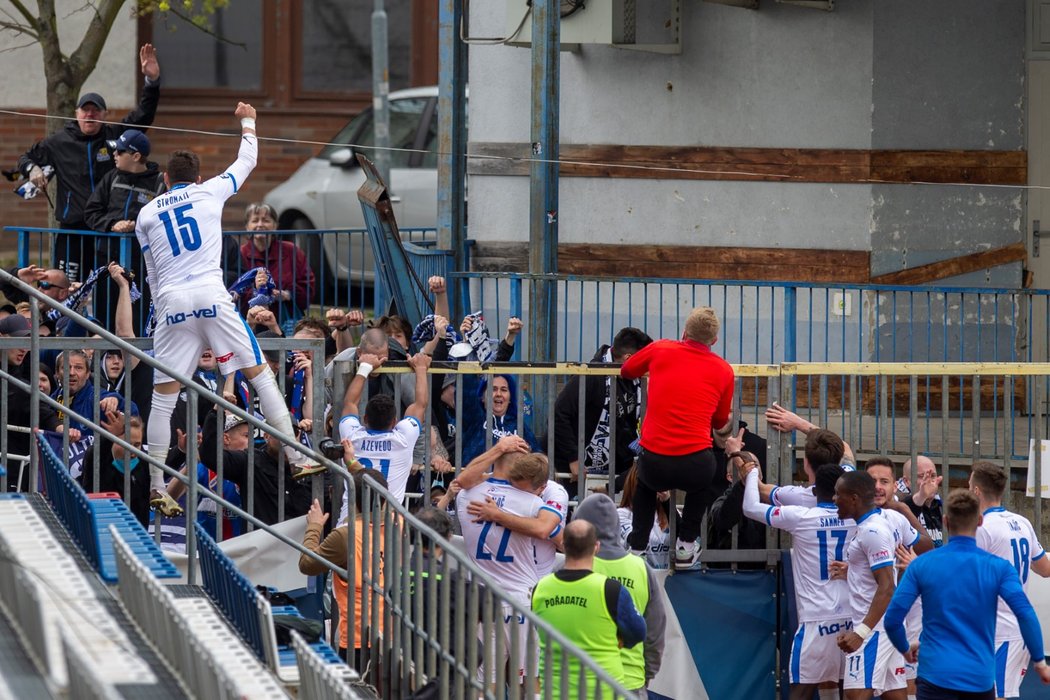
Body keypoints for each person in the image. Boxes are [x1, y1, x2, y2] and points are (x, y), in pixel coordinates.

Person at [134, 101, 323, 518]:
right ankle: (294, 458)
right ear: (197, 178)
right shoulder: (211, 189)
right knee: (260, 375)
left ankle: (155, 484)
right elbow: (248, 158)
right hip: (209, 293)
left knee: (163, 400)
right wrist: (248, 120)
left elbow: (149, 272)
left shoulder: (146, 214)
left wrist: (160, 309)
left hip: (170, 301)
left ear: (165, 180)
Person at [884, 490, 1050, 700]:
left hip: (934, 673)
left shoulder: (921, 565)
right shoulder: (999, 568)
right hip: (977, 677)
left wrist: (905, 649)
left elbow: (892, 619)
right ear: (980, 521)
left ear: (945, 521)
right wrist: (1040, 662)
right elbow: (1025, 614)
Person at [17, 45, 162, 282]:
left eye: (96, 111)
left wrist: (152, 80)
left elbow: (144, 115)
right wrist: (32, 170)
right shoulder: (58, 141)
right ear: (76, 113)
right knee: (66, 285)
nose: (90, 116)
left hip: (105, 228)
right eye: (85, 111)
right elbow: (25, 158)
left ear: (104, 114)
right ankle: (65, 321)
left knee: (107, 288)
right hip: (72, 229)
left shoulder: (114, 135)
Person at [619, 306, 735, 569]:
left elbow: (627, 370)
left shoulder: (661, 348)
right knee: (704, 482)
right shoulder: (724, 370)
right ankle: (685, 545)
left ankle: (637, 546)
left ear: (684, 332)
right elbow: (719, 422)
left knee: (645, 485)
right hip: (694, 463)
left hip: (655, 460)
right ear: (714, 341)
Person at [742, 459, 853, 700]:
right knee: (850, 689)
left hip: (817, 618)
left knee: (802, 690)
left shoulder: (802, 517)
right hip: (853, 616)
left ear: (814, 491)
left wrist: (751, 473)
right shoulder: (858, 517)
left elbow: (750, 507)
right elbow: (851, 463)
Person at [455, 443, 551, 688]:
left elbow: (465, 478)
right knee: (527, 681)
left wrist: (497, 449)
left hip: (481, 599)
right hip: (519, 599)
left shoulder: (466, 495)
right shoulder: (531, 502)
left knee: (486, 680)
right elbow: (544, 530)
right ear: (520, 463)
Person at [531, 519, 647, 698]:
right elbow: (638, 632)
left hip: (555, 692)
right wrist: (619, 640)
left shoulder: (540, 588)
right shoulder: (610, 589)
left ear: (562, 544)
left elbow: (539, 630)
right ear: (596, 547)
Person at [969, 461, 1050, 699]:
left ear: (976, 491)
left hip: (1000, 629)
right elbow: (1045, 569)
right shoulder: (1022, 522)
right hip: (1016, 627)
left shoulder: (982, 528)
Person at [573, 493, 667, 696]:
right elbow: (655, 632)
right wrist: (645, 675)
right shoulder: (641, 568)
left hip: (581, 680)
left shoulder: (572, 567)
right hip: (630, 680)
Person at [298, 469, 389, 667]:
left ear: (352, 499)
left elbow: (307, 565)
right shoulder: (398, 525)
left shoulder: (345, 535)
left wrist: (314, 527)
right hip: (392, 634)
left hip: (358, 636)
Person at [832, 470, 907, 700]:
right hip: (885, 625)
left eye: (838, 494)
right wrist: (852, 572)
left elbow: (887, 587)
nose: (834, 499)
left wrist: (861, 633)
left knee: (854, 695)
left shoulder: (873, 531)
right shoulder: (870, 526)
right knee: (895, 695)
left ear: (854, 498)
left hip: (874, 628)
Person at [553, 326, 652, 498]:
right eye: (644, 361)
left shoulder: (634, 380)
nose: (646, 368)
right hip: (580, 469)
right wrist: (573, 458)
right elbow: (560, 414)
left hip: (616, 469)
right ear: (629, 358)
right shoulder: (592, 375)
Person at [85, 128, 165, 334]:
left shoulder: (158, 184)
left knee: (137, 319)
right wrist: (112, 224)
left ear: (136, 156)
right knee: (103, 316)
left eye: (120, 152)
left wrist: (136, 225)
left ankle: (137, 362)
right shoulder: (111, 177)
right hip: (107, 260)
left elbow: (163, 221)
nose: (114, 155)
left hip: (141, 263)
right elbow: (91, 211)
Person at [337, 350, 431, 519]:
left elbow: (350, 402)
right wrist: (421, 369)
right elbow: (420, 404)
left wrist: (365, 367)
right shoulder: (402, 440)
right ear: (395, 422)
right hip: (386, 530)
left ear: (365, 419)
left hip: (348, 526)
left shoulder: (352, 437)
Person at [197, 403, 312, 526]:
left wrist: (317, 438)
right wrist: (217, 412)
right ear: (266, 436)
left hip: (303, 542)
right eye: (279, 432)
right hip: (263, 543)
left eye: (292, 432)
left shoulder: (311, 466)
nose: (287, 437)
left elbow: (328, 499)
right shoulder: (250, 461)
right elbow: (211, 456)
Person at [0, 314, 78, 490]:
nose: (24, 349)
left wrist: (60, 427)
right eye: (19, 340)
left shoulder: (24, 370)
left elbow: (36, 403)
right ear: (2, 338)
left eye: (28, 343)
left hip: (16, 465)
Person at [237, 202, 314, 334]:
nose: (260, 224)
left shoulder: (291, 251)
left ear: (275, 226)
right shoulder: (240, 254)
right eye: (255, 220)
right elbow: (234, 291)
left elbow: (308, 287)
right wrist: (258, 295)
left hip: (285, 321)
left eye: (266, 220)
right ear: (247, 227)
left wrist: (286, 295)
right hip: (249, 321)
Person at [900, 455, 944, 547]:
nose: (928, 480)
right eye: (922, 476)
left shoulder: (941, 505)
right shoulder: (898, 500)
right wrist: (922, 496)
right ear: (906, 481)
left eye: (933, 476)